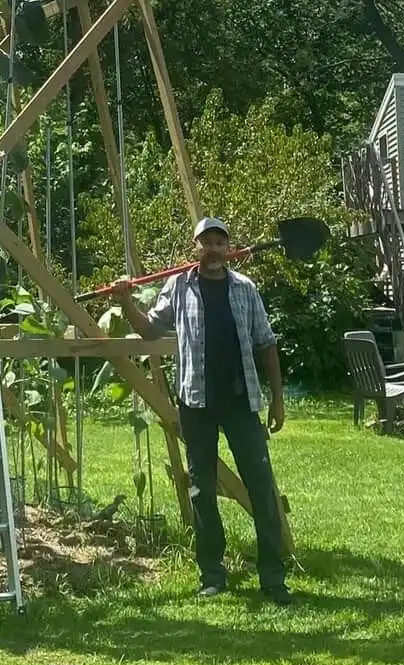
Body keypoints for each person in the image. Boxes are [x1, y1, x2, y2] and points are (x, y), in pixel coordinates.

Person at [111, 216, 292, 604]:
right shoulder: (178, 286)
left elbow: (266, 343)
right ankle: (212, 574)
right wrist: (125, 300)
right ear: (195, 248)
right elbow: (149, 331)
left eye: (219, 243)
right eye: (205, 243)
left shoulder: (245, 289)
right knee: (202, 490)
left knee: (261, 487)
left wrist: (277, 399)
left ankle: (273, 578)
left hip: (242, 403)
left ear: (228, 249)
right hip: (196, 404)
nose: (212, 250)